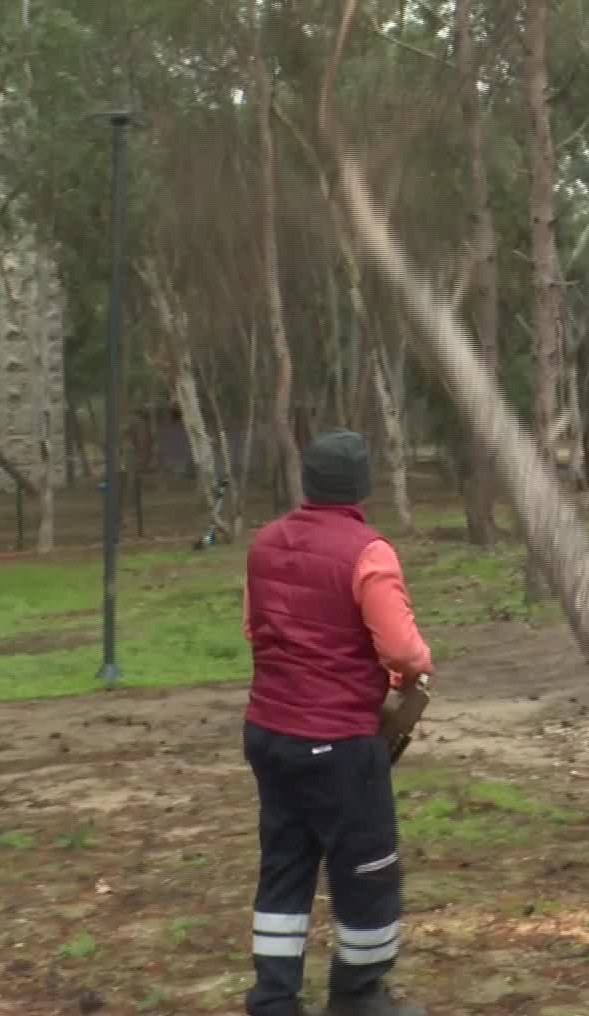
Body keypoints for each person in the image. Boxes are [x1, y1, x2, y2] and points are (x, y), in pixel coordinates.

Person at [241, 430, 433, 1016]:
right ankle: (358, 997)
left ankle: (273, 1001)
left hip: (270, 733)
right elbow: (404, 652)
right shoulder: (368, 551)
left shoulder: (265, 543)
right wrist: (408, 679)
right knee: (367, 870)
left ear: (309, 482)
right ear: (363, 486)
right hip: (339, 742)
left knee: (284, 866)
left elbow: (255, 630)